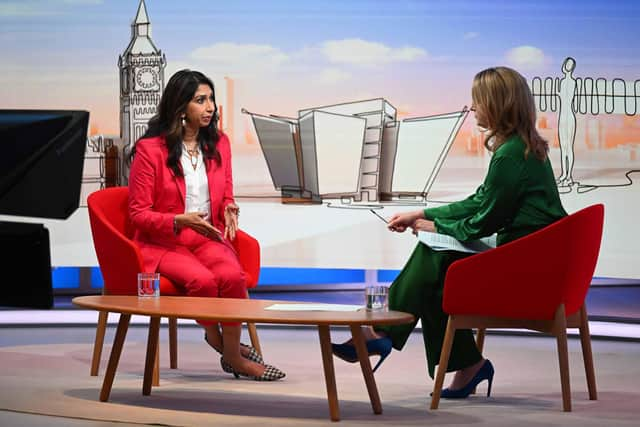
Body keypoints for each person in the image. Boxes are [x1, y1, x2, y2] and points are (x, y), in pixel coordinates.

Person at [332, 66, 567, 398]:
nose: (473, 109)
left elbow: (481, 222)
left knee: (434, 254)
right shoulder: (519, 148)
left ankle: (381, 332)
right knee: (439, 274)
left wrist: (433, 226)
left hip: (528, 269)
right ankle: (463, 363)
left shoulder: (511, 156)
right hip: (528, 257)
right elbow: (481, 201)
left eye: (478, 101)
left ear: (498, 104)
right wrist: (423, 213)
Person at [128, 69, 284, 381]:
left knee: (231, 275)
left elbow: (226, 193)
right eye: (201, 100)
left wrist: (229, 208)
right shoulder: (150, 150)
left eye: (211, 98)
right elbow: (137, 214)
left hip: (206, 235)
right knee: (202, 281)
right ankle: (220, 342)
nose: (210, 107)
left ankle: (230, 355)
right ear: (180, 107)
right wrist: (177, 220)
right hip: (164, 240)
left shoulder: (220, 144)